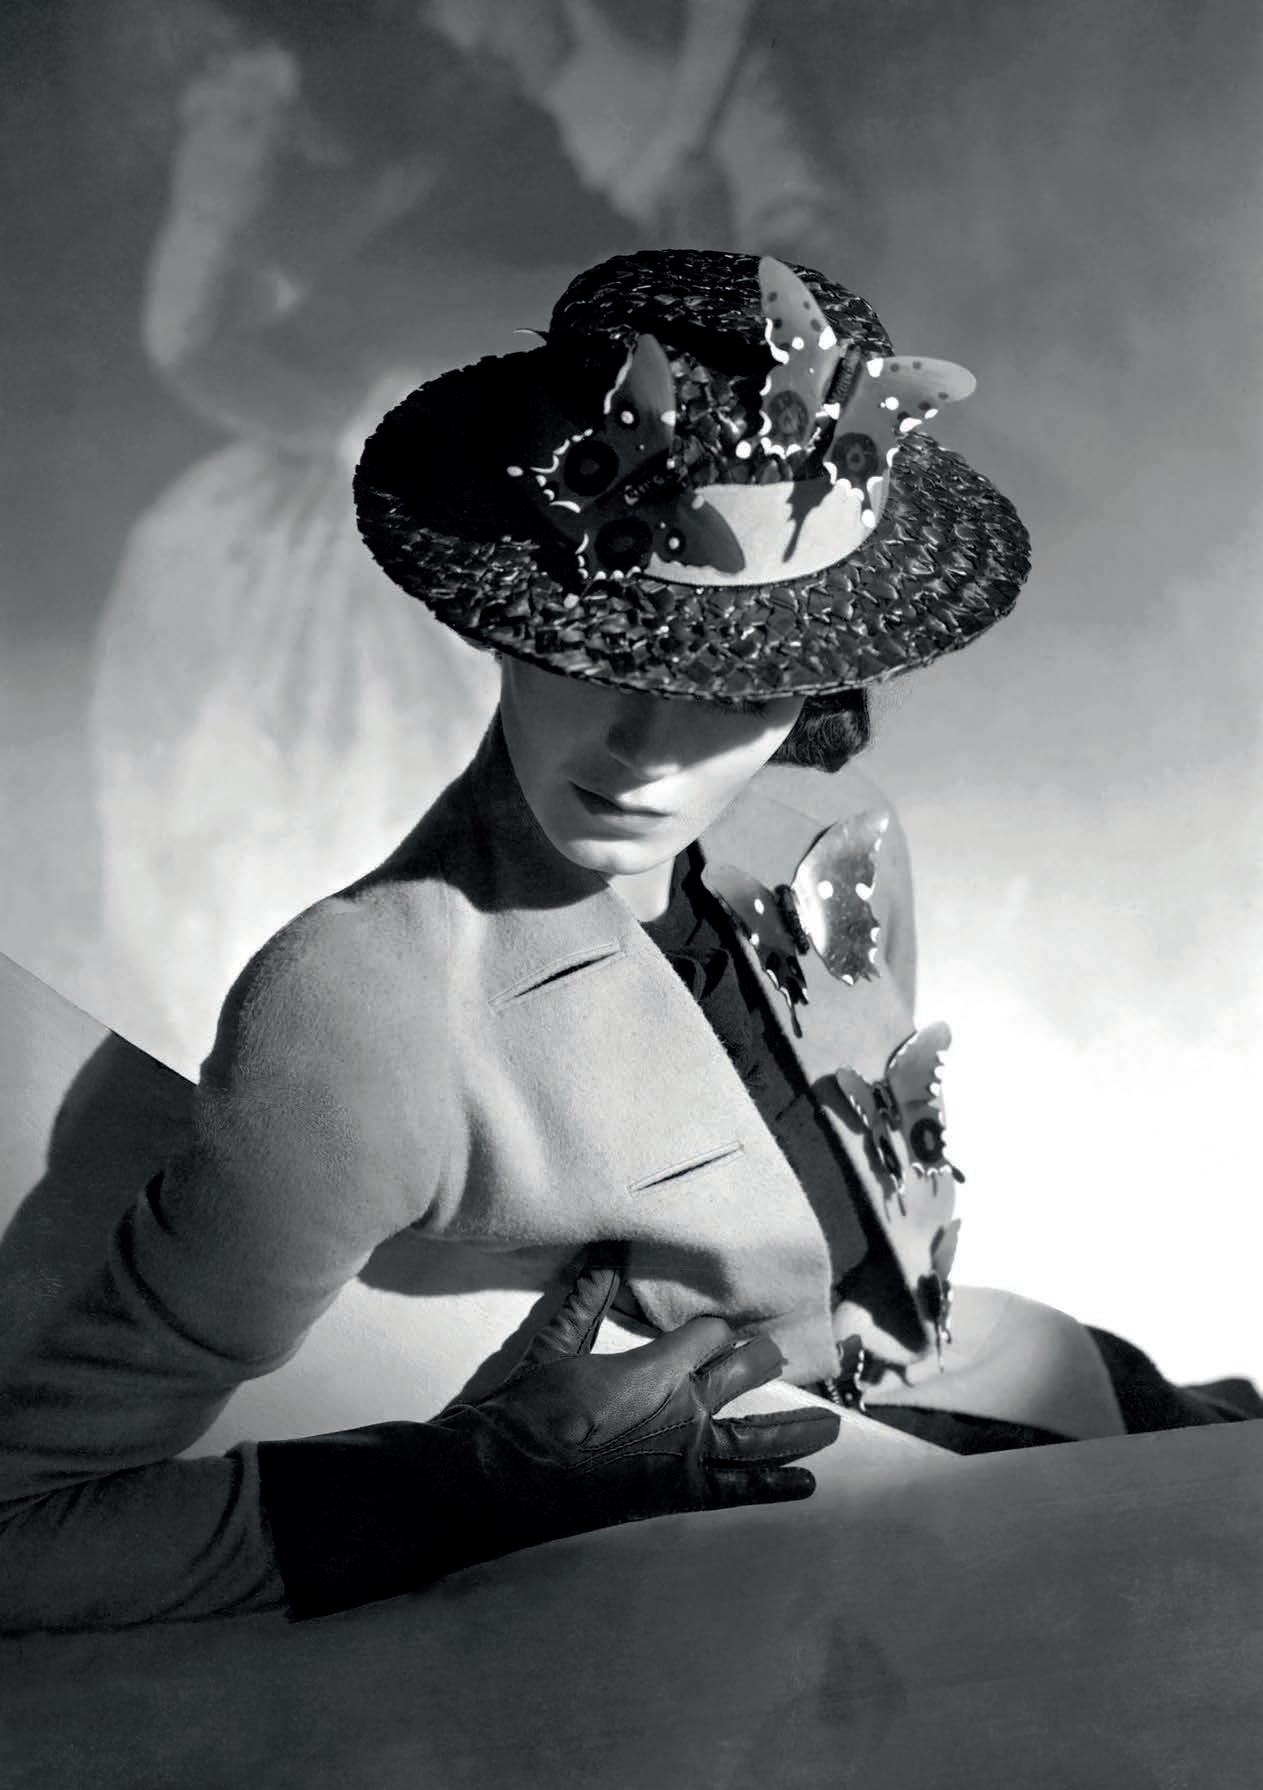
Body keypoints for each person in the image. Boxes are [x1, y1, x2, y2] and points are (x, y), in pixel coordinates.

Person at [3, 248, 1257, 1634]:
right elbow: (24, 1525)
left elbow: (873, 1263)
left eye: (737, 682)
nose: (646, 753)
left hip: (1035, 1405)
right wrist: (482, 1479)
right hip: (804, 1608)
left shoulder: (822, 828)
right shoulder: (360, 1006)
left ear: (819, 683)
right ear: (505, 625)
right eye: (598, 655)